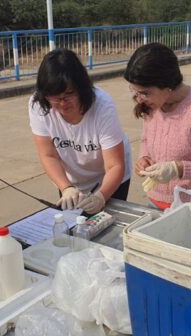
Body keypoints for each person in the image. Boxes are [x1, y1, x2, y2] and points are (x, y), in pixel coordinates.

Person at [123, 43, 191, 210]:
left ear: (168, 87)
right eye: (135, 92)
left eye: (145, 93)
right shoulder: (153, 107)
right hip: (155, 202)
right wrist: (143, 159)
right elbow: (146, 140)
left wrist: (178, 168)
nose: (139, 100)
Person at [29, 48, 132, 214]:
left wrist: (101, 197)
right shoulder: (39, 105)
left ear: (82, 88)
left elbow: (115, 165)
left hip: (109, 176)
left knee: (107, 226)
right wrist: (66, 187)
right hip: (71, 179)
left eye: (69, 94)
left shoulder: (102, 106)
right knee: (72, 224)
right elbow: (48, 155)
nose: (62, 103)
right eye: (55, 97)